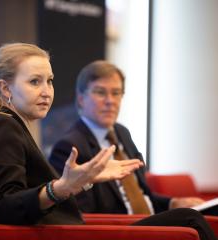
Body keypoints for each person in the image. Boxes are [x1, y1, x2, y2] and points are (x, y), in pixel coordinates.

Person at [0, 43, 216, 240]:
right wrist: (61, 188)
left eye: (49, 81)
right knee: (189, 219)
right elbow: (4, 206)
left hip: (74, 231)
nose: (47, 91)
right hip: (72, 235)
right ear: (5, 87)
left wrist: (84, 179)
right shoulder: (3, 125)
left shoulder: (13, 126)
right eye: (34, 82)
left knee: (188, 216)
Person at [49, 60, 206, 215]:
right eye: (100, 92)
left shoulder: (121, 132)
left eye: (116, 93)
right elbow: (80, 216)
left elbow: (142, 196)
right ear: (81, 99)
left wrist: (173, 203)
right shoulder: (69, 147)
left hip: (150, 222)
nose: (110, 101)